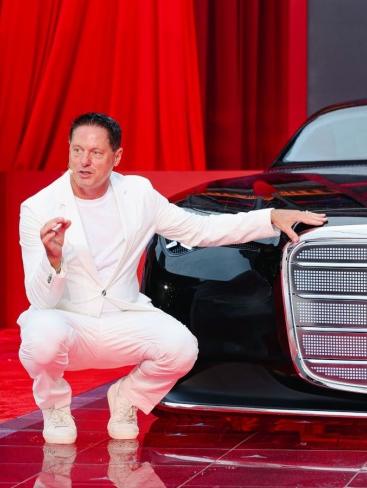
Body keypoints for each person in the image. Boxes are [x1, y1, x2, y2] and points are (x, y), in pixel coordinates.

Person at [18, 112, 327, 445]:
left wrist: (270, 217)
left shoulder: (138, 193)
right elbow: (40, 300)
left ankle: (127, 398)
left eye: (95, 153)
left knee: (182, 348)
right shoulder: (38, 208)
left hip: (122, 316)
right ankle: (55, 406)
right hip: (68, 320)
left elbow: (199, 229)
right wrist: (52, 259)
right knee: (40, 337)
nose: (84, 162)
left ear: (116, 156)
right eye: (77, 150)